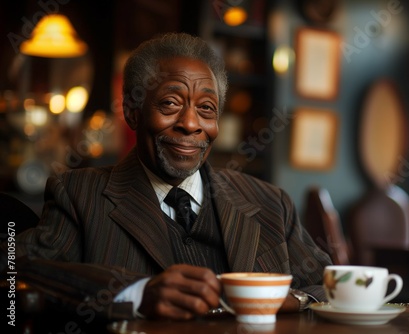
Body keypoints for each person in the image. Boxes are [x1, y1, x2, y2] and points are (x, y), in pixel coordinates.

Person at [1, 32, 332, 321]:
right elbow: (15, 269)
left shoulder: (272, 203)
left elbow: (330, 286)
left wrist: (299, 299)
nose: (190, 124)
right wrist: (136, 294)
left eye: (206, 109)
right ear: (132, 112)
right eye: (171, 104)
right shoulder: (77, 194)